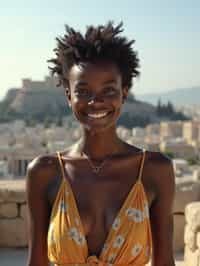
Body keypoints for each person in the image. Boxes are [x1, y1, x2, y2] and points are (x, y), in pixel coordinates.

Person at [26, 22, 175, 266]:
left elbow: (165, 262)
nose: (96, 102)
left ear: (124, 93)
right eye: (83, 91)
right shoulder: (43, 172)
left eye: (108, 90)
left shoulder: (155, 170)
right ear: (68, 95)